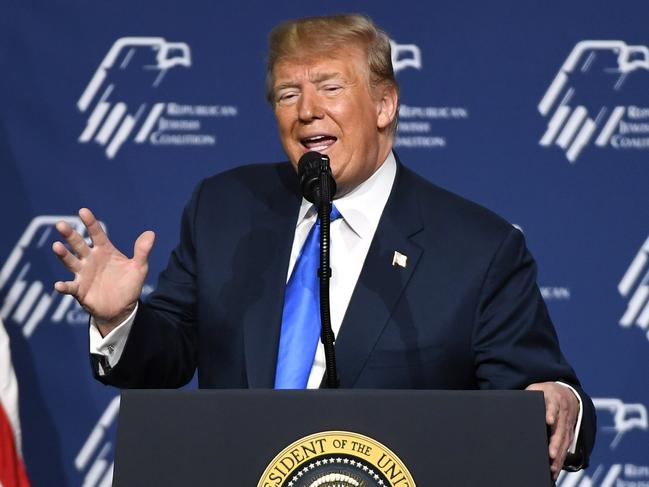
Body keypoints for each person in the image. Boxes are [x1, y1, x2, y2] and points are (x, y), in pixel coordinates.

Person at [52, 14, 595, 478]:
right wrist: (121, 318)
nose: (306, 110)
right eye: (289, 94)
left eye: (330, 88)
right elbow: (163, 359)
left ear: (385, 105)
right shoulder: (223, 209)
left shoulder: (478, 248)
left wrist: (558, 405)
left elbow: (543, 401)